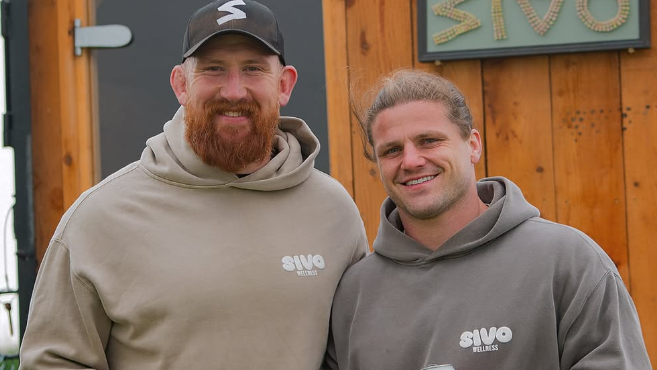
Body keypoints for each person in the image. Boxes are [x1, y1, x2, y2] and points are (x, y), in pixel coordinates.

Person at [19, 1, 368, 369]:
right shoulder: (99, 219)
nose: (234, 91)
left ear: (284, 85)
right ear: (180, 85)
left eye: (252, 69)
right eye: (213, 69)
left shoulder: (333, 212)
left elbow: (352, 352)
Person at [325, 69, 651, 369]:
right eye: (392, 150)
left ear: (473, 146)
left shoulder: (568, 262)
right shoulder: (353, 295)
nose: (410, 161)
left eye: (429, 141)